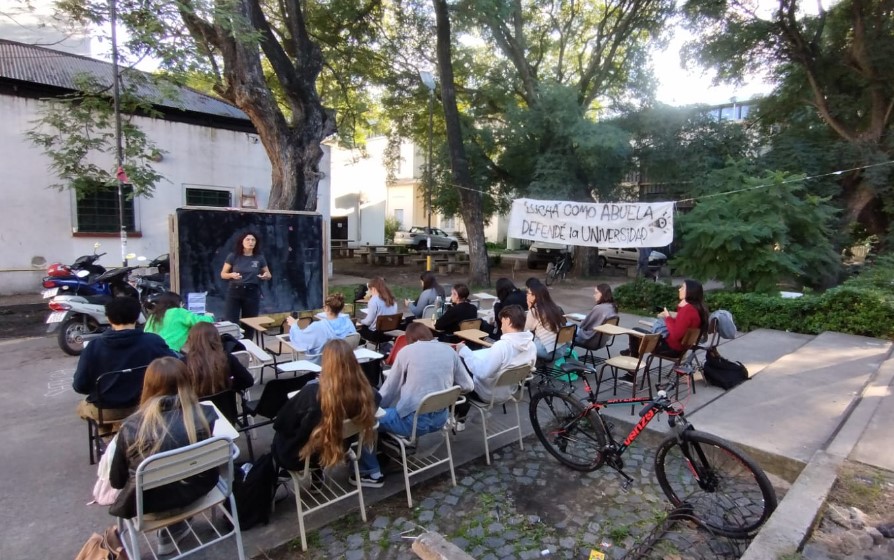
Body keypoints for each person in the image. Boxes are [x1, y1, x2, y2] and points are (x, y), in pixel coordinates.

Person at [109, 357, 218, 555]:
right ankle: (174, 530)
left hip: (149, 506)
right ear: (187, 381)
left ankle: (170, 532)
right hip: (199, 492)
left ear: (147, 385)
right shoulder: (206, 415)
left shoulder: (131, 427)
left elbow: (117, 481)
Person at [357, 322, 473, 487]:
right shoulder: (449, 351)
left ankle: (372, 473)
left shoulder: (406, 352)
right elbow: (468, 385)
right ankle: (392, 444)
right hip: (441, 418)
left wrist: (374, 409)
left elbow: (389, 390)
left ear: (409, 340)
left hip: (412, 423)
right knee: (397, 410)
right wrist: (443, 388)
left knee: (367, 420)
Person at [272, 339, 380, 472]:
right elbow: (378, 399)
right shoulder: (367, 392)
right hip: (340, 448)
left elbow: (280, 423)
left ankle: (277, 473)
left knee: (286, 434)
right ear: (353, 362)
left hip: (303, 457)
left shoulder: (311, 394)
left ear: (325, 363)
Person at [72, 297, 176, 422]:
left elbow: (79, 386)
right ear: (137, 316)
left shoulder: (93, 346)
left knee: (82, 407)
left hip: (106, 410)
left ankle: (110, 436)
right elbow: (175, 367)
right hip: (146, 406)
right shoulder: (153, 341)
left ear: (108, 318)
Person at [454, 305, 536, 430]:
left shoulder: (502, 346)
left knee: (460, 367)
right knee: (470, 363)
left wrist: (464, 351)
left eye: (502, 322)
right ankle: (461, 417)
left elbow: (482, 372)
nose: (501, 326)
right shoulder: (531, 345)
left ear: (508, 320)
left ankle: (458, 416)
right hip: (509, 390)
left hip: (487, 394)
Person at [624, 279, 709, 362]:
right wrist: (679, 309)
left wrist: (667, 316)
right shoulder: (696, 309)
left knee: (635, 332)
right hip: (679, 349)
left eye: (682, 288)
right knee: (640, 336)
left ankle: (631, 370)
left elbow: (676, 334)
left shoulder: (688, 310)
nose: (679, 289)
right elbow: (680, 326)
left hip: (670, 349)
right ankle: (631, 351)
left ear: (690, 292)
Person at [181, 322, 255, 397]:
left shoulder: (183, 363)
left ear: (191, 339)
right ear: (216, 338)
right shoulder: (226, 358)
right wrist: (228, 386)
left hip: (196, 406)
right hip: (226, 406)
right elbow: (248, 381)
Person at [286, 293, 356, 362]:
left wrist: (294, 325)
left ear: (326, 308)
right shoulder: (348, 322)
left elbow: (300, 340)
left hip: (322, 365)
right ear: (341, 308)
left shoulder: (318, 326)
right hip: (344, 362)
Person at [220, 231, 272, 324]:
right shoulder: (233, 256)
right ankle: (232, 339)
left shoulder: (259, 258)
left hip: (252, 292)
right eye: (247, 239)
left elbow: (268, 274)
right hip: (235, 291)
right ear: (242, 242)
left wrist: (265, 276)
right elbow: (223, 274)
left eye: (253, 240)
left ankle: (248, 338)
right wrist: (231, 275)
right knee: (231, 321)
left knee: (250, 322)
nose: (250, 242)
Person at [144, 291, 214, 352]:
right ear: (178, 303)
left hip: (149, 350)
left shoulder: (153, 315)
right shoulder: (178, 312)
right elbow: (201, 321)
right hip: (168, 351)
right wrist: (209, 316)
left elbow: (146, 332)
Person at [524, 278, 568, 360]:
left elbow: (526, 330)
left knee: (526, 343)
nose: (527, 295)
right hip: (562, 349)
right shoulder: (554, 307)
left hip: (547, 352)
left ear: (534, 296)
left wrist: (529, 307)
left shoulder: (535, 311)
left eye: (528, 293)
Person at [356, 277, 398, 344]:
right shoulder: (392, 300)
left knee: (357, 329)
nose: (369, 292)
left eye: (369, 290)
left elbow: (368, 322)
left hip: (376, 334)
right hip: (390, 333)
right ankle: (383, 347)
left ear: (373, 289)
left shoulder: (374, 300)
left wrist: (360, 321)